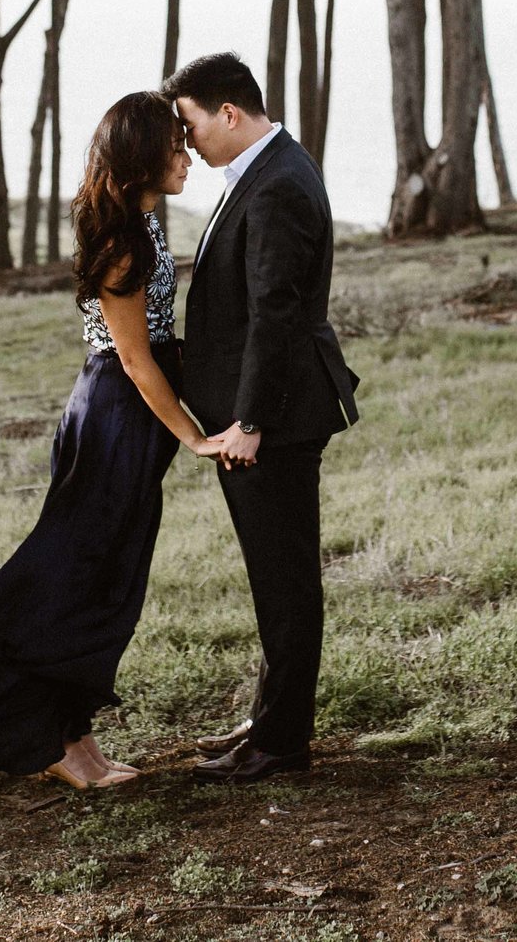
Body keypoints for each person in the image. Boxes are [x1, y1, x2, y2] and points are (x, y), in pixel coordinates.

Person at [0, 92, 227, 789]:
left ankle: (76, 739)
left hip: (129, 419)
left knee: (101, 586)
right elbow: (132, 358)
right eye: (175, 145)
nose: (188, 156)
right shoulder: (123, 240)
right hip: (114, 420)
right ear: (142, 156)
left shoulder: (147, 219)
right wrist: (193, 435)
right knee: (70, 582)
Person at [163, 52, 361, 784]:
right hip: (263, 417)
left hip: (271, 421)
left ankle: (281, 745)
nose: (186, 143)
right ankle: (270, 723)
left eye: (190, 125)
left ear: (229, 114)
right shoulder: (267, 167)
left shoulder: (275, 183)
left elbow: (275, 313)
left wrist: (247, 421)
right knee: (273, 579)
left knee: (284, 582)